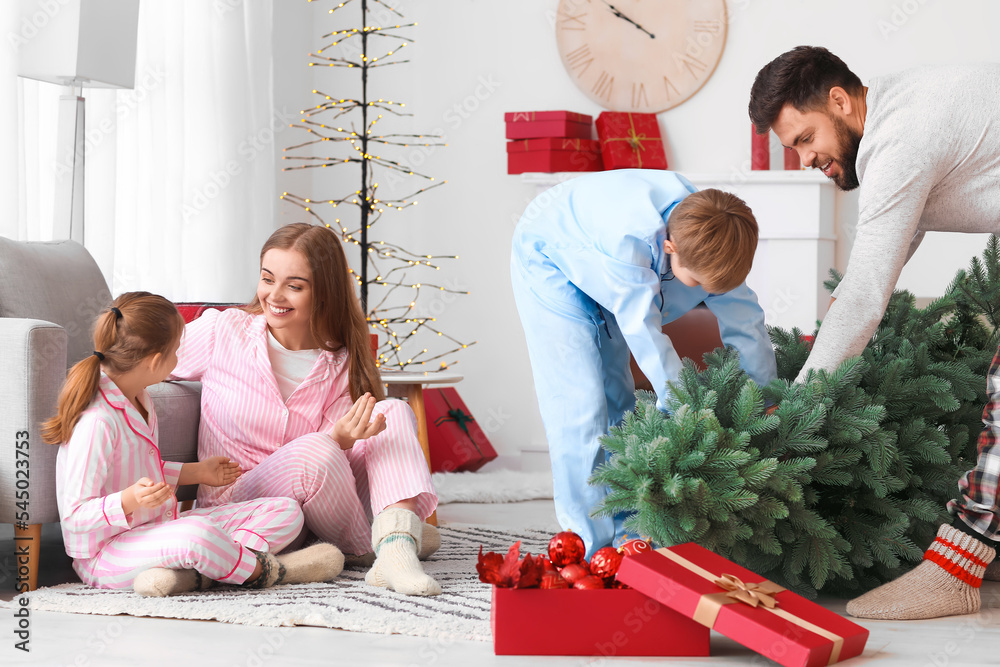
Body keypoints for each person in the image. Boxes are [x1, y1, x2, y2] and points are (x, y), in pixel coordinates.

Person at [749, 46, 1000, 619]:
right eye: (794, 149)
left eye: (807, 138)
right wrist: (819, 346)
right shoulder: (896, 116)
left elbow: (865, 294)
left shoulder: (901, 134)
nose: (808, 158)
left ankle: (954, 570)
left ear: (840, 100)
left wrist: (794, 411)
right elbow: (876, 267)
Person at [510, 169, 777, 558]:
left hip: (612, 251)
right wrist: (683, 409)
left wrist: (765, 401)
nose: (705, 294)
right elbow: (646, 337)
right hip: (551, 253)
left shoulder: (718, 236)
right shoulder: (627, 243)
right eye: (695, 283)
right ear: (670, 247)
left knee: (619, 400)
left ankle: (629, 533)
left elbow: (746, 322)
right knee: (580, 405)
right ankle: (588, 547)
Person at [168, 223, 442, 597]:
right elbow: (147, 361)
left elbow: (330, 470)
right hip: (243, 502)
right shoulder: (223, 330)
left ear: (324, 293)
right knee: (318, 447)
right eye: (267, 279)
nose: (274, 295)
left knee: (391, 411)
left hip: (317, 514)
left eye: (294, 286)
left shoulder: (342, 360)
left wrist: (343, 440)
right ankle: (387, 543)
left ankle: (394, 548)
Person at [45, 292, 344, 597]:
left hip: (160, 527)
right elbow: (74, 517)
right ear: (155, 362)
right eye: (176, 351)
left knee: (286, 510)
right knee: (198, 536)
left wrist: (198, 473)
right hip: (109, 554)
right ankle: (267, 572)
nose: (180, 358)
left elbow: (143, 471)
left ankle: (202, 572)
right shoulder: (97, 421)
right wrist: (130, 499)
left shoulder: (139, 398)